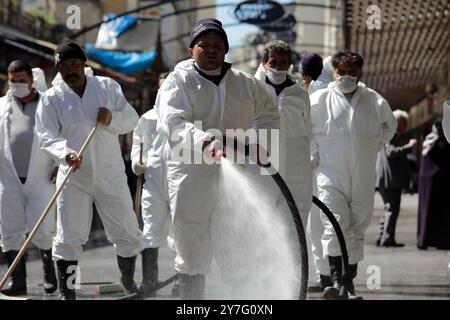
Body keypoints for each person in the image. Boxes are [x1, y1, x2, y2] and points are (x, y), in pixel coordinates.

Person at [155, 18, 279, 299]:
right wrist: (203, 141)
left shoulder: (244, 83)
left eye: (217, 45)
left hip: (234, 170)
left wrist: (261, 144)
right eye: (204, 45)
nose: (210, 50)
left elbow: (270, 115)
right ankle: (191, 302)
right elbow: (172, 123)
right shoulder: (179, 81)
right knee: (191, 246)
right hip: (190, 172)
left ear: (226, 50)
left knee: (236, 244)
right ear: (191, 51)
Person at [35, 38, 142, 300]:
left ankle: (127, 280)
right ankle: (67, 292)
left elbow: (132, 119)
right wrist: (65, 153)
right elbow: (45, 135)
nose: (71, 70)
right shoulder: (51, 98)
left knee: (127, 231)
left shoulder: (107, 87)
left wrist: (111, 118)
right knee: (69, 237)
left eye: (75, 64)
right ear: (58, 68)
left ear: (83, 65)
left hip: (110, 175)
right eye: (65, 66)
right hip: (74, 177)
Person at [310, 51, 397, 299]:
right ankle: (339, 283)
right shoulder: (320, 99)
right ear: (334, 72)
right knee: (334, 224)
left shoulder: (374, 100)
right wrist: (314, 152)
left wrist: (372, 145)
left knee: (357, 227)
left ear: (361, 73)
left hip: (362, 175)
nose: (346, 77)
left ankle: (348, 282)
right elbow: (305, 130)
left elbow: (389, 126)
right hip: (330, 175)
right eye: (341, 72)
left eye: (352, 72)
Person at [0, 60, 58, 296]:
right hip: (8, 179)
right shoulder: (1, 105)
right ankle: (18, 280)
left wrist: (58, 163)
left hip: (41, 177)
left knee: (43, 228)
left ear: (31, 80)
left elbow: (59, 133)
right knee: (10, 229)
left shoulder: (48, 103)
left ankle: (49, 275)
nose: (17, 85)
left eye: (22, 81)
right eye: (13, 81)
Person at [254, 40, 312, 227]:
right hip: (264, 158)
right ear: (264, 63)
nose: (278, 67)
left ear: (289, 65)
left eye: (282, 62)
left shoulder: (300, 94)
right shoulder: (254, 88)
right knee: (262, 212)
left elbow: (307, 128)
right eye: (273, 62)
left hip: (295, 161)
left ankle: (295, 256)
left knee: (295, 216)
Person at [131, 72, 171, 297]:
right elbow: (139, 141)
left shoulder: (187, 114)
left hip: (181, 183)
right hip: (153, 183)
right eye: (161, 87)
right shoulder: (147, 117)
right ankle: (149, 281)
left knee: (182, 234)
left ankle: (183, 280)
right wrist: (137, 160)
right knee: (150, 230)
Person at [306, 55, 334, 292]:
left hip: (317, 171)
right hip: (327, 169)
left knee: (319, 227)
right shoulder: (330, 93)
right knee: (330, 225)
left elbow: (309, 132)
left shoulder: (314, 95)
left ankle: (327, 278)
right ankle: (331, 277)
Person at [375, 110, 416, 247]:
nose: (406, 126)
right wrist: (408, 147)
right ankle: (387, 238)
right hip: (390, 180)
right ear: (398, 122)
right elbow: (391, 152)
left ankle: (382, 236)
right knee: (392, 208)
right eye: (405, 123)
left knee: (389, 208)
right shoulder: (391, 133)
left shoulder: (388, 133)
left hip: (387, 179)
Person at [417, 120, 450, 250]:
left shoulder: (429, 139)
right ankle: (440, 240)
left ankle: (423, 240)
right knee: (440, 212)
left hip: (426, 183)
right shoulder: (442, 142)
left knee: (426, 212)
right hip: (439, 183)